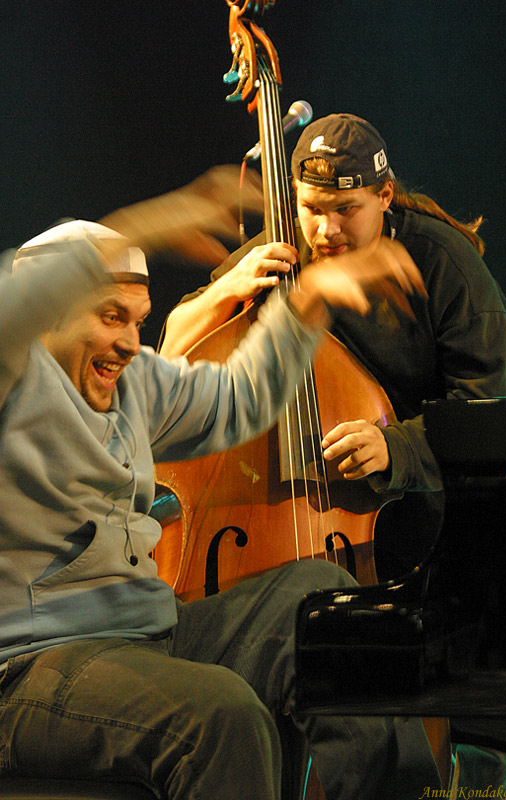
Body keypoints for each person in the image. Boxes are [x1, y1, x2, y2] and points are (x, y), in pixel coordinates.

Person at [0, 167, 441, 800]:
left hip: (148, 636)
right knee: (220, 715)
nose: (129, 343)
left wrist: (306, 303)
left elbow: (238, 399)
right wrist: (147, 225)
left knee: (330, 611)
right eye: (110, 316)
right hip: (31, 665)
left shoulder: (134, 384)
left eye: (138, 320)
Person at [159, 113, 506, 577]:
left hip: (428, 519)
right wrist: (224, 290)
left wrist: (396, 447)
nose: (326, 230)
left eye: (346, 209)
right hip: (275, 521)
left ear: (384, 195)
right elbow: (173, 349)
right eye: (311, 208)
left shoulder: (445, 263)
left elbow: (488, 411)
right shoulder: (280, 249)